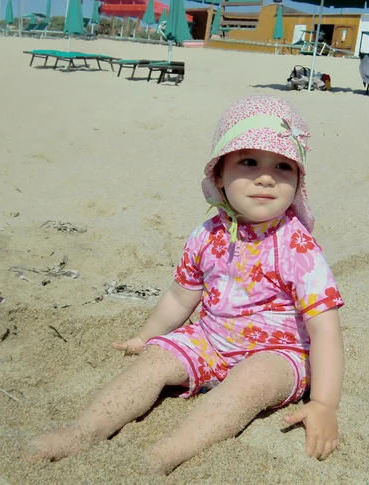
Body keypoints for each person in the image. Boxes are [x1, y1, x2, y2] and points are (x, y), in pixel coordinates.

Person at [25, 96, 345, 475]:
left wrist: (324, 404)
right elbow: (181, 296)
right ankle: (83, 431)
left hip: (278, 352)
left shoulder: (297, 246)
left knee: (253, 381)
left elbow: (324, 329)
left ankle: (168, 452)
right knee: (155, 361)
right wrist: (146, 337)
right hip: (211, 339)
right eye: (248, 162)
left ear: (298, 180)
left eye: (283, 166)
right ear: (219, 175)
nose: (266, 177)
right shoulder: (207, 235)